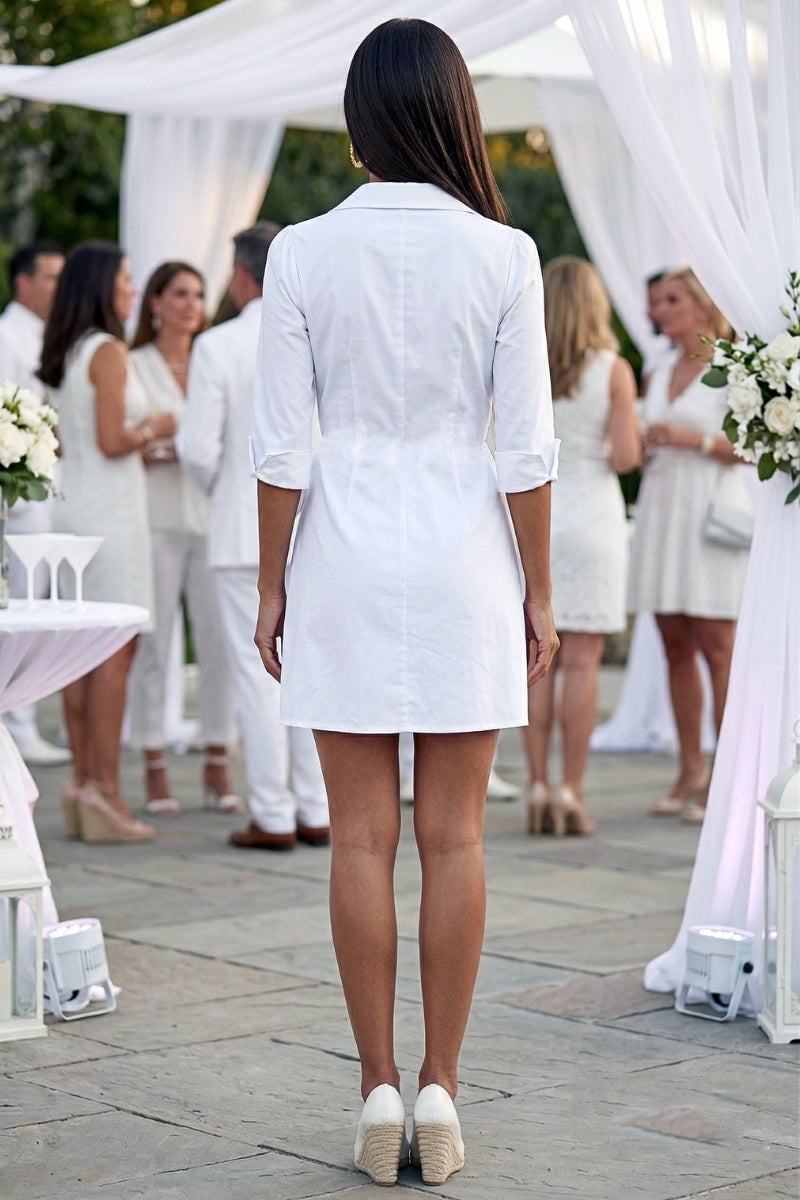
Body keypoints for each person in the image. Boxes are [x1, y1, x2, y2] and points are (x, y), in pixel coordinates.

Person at [251, 19, 559, 1188]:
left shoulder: (299, 251)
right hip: (463, 554)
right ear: (454, 111)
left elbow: (281, 448)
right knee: (455, 836)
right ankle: (441, 1085)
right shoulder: (505, 252)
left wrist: (272, 585)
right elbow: (524, 451)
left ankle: (375, 1085)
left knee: (359, 837)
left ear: (358, 120)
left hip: (340, 551)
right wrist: (539, 592)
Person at [177, 225, 328, 850]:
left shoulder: (218, 345)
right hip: (316, 523)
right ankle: (316, 806)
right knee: (312, 669)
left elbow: (195, 448)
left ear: (241, 276)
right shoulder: (319, 331)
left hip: (243, 527)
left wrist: (226, 490)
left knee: (257, 675)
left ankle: (272, 812)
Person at [39, 241, 177, 843]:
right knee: (115, 654)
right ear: (102, 285)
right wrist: (155, 428)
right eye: (124, 279)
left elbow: (66, 444)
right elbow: (111, 440)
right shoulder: (109, 351)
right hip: (114, 519)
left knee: (79, 656)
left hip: (74, 510)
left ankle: (80, 785)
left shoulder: (68, 352)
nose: (131, 290)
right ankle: (108, 793)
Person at [628, 267, 750, 823]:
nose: (659, 311)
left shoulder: (732, 369)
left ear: (703, 305)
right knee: (674, 643)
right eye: (657, 302)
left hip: (709, 514)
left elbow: (754, 448)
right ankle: (688, 767)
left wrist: (692, 440)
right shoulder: (655, 370)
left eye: (672, 300)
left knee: (718, 648)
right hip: (662, 511)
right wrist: (645, 446)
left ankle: (726, 775)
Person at [524, 257, 640, 837]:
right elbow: (626, 457)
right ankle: (572, 789)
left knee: (537, 658)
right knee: (583, 662)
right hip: (594, 521)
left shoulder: (524, 364)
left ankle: (537, 785)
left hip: (538, 522)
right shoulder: (613, 370)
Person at [127, 261, 240, 817]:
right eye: (179, 294)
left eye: (198, 294)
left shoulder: (215, 357)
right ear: (155, 302)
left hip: (213, 519)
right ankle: (152, 761)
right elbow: (121, 442)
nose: (191, 304)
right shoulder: (134, 365)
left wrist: (173, 445)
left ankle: (218, 756)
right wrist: (162, 443)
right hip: (158, 521)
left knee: (219, 645)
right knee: (155, 645)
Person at [0, 240, 71, 767]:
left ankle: (25, 718)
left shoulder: (48, 334)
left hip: (49, 486)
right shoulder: (7, 335)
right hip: (20, 493)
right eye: (51, 277)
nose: (59, 287)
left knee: (42, 604)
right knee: (23, 607)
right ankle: (17, 725)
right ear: (23, 282)